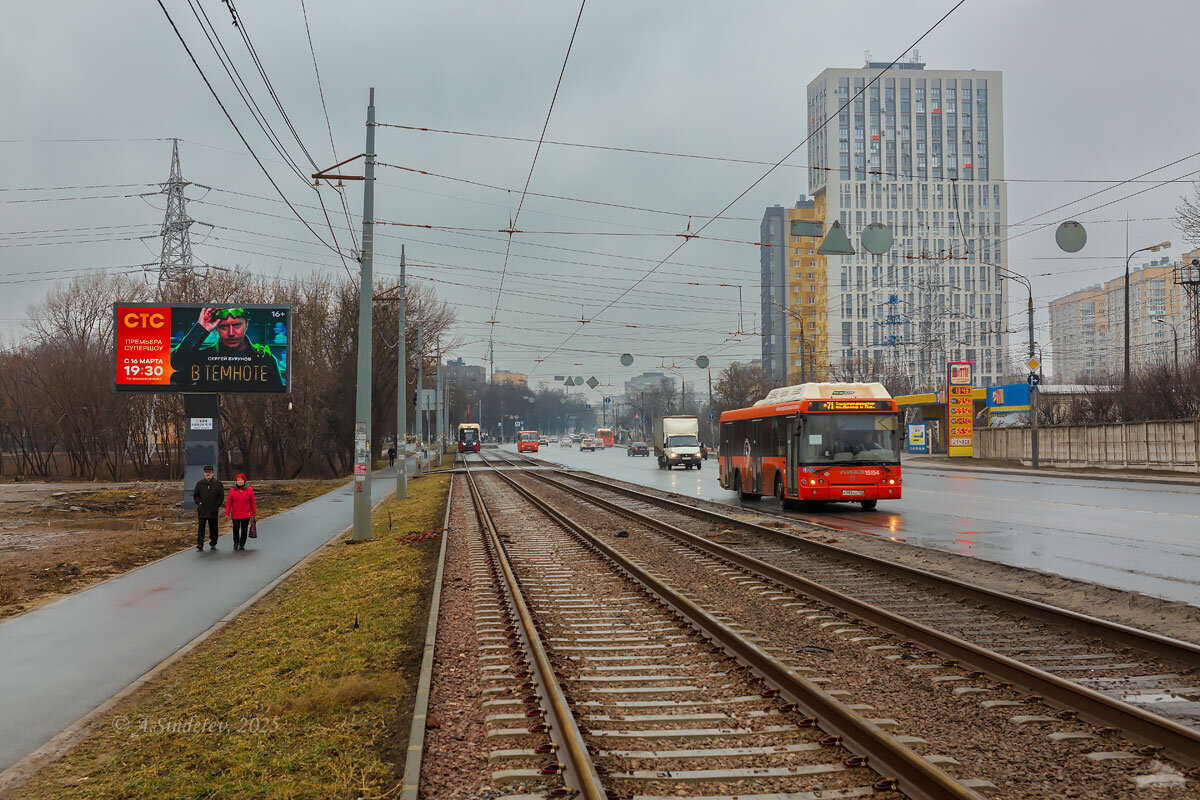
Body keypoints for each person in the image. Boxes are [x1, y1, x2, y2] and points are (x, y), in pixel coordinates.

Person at [170, 307, 285, 390]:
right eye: (224, 326)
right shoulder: (203, 357)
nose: (231, 333)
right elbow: (176, 365)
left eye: (236, 325)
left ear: (246, 323)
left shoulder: (264, 359)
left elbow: (277, 396)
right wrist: (200, 328)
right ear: (216, 328)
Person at [193, 465, 224, 551]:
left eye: (209, 472)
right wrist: (199, 502)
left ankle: (213, 542)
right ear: (204, 473)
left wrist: (217, 505)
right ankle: (200, 544)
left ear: (212, 473)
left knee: (213, 527)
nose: (208, 474)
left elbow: (221, 496)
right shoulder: (199, 483)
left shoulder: (218, 484)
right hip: (202, 509)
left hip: (213, 509)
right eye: (206, 472)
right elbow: (196, 495)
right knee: (201, 527)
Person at [225, 473, 257, 551]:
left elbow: (253, 502)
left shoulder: (249, 489)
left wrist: (254, 513)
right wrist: (226, 512)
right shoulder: (232, 490)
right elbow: (229, 502)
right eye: (238, 480)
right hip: (235, 514)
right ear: (236, 481)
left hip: (246, 514)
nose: (240, 481)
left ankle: (242, 544)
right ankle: (236, 543)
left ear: (244, 481)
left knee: (244, 530)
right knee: (235, 528)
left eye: (241, 480)